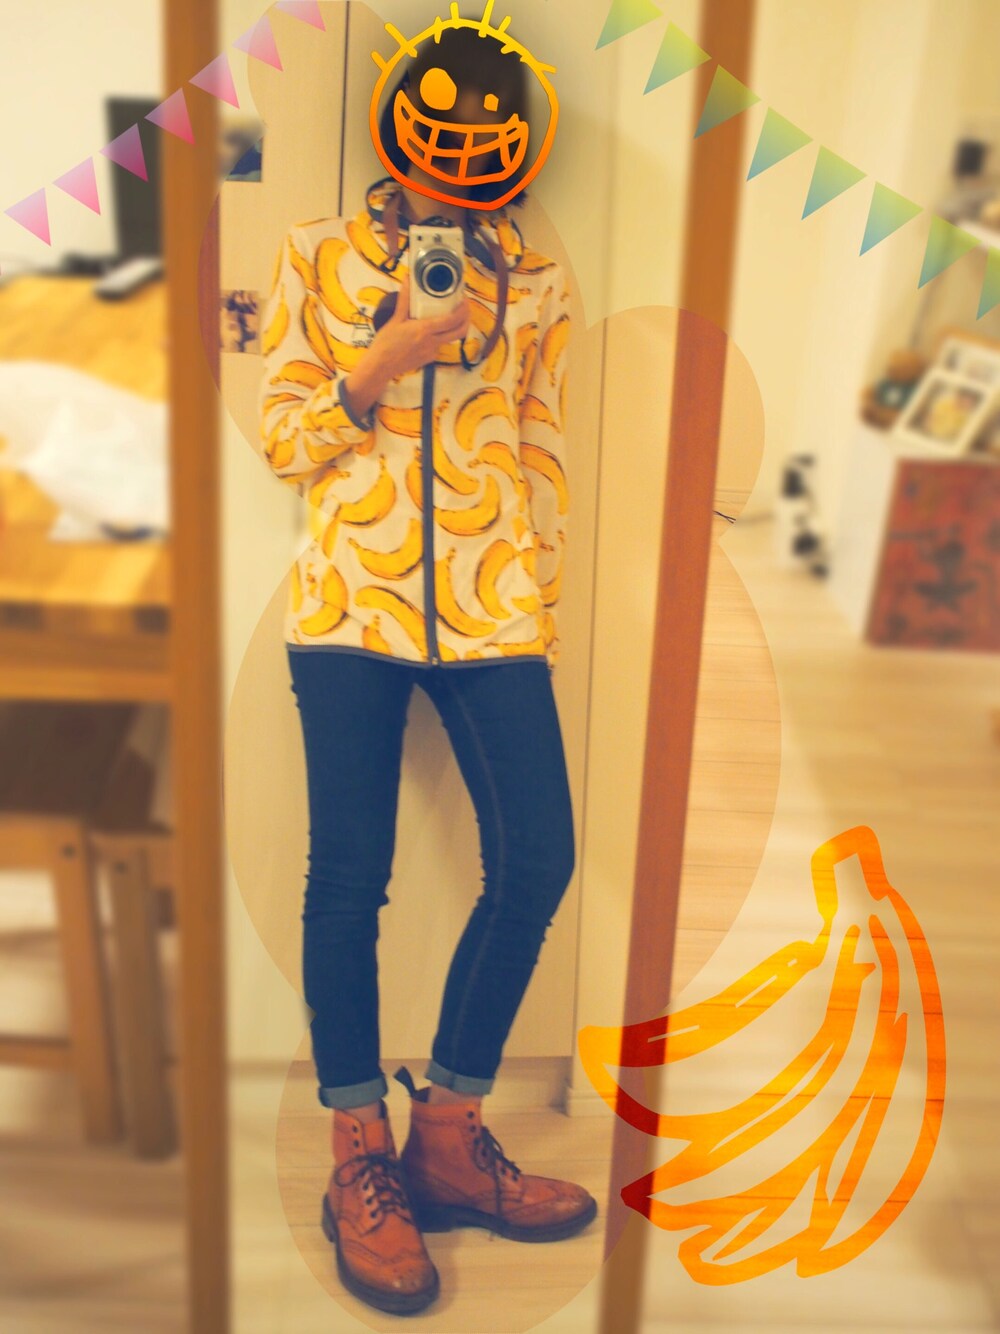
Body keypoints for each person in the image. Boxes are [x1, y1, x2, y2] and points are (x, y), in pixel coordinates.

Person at [258, 17, 594, 1317]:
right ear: (398, 127)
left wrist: (537, 601)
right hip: (350, 606)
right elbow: (285, 438)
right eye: (439, 132)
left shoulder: (537, 284)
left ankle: (448, 1137)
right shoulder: (314, 256)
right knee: (349, 877)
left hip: (493, 611)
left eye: (486, 141)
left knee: (540, 859)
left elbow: (542, 447)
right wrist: (382, 361)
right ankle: (359, 1153)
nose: (458, 158)